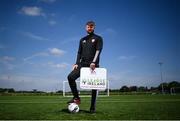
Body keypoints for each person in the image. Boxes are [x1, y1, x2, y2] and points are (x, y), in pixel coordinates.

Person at [67, 21, 103, 113]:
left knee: (94, 87)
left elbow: (98, 51)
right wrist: (76, 63)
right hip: (82, 65)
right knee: (70, 77)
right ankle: (76, 98)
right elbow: (79, 52)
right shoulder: (82, 40)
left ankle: (92, 108)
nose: (89, 28)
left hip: (93, 66)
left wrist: (94, 62)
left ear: (94, 27)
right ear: (85, 28)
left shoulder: (98, 38)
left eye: (91, 26)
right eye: (88, 27)